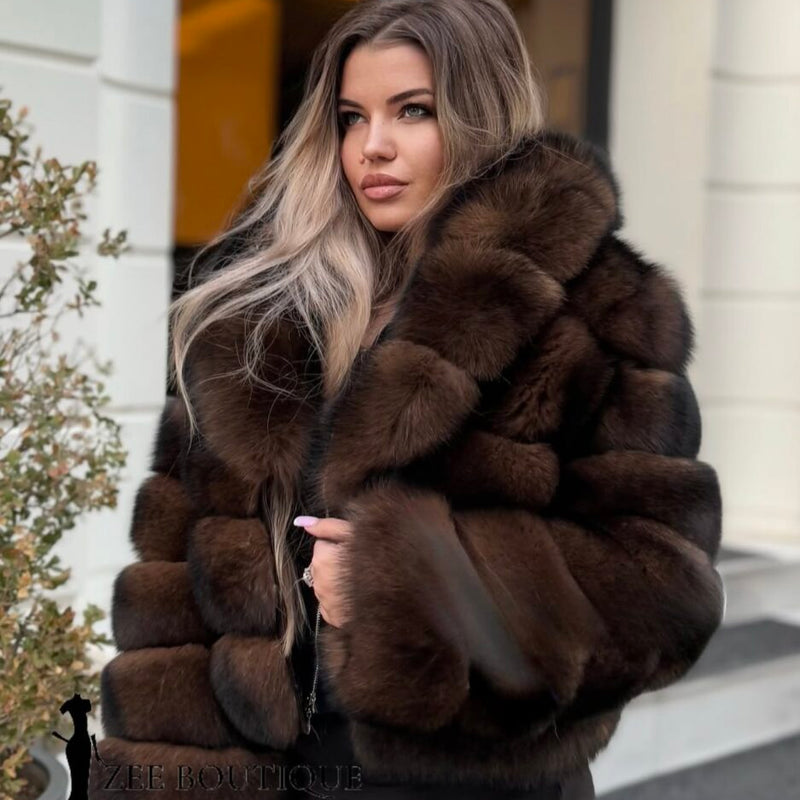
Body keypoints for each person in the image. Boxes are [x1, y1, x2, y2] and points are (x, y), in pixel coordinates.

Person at [89, 1, 725, 798]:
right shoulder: (257, 322)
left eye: (412, 111)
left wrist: (413, 587)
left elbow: (661, 598)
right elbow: (176, 605)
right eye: (352, 118)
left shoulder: (596, 313)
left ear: (480, 119)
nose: (373, 147)